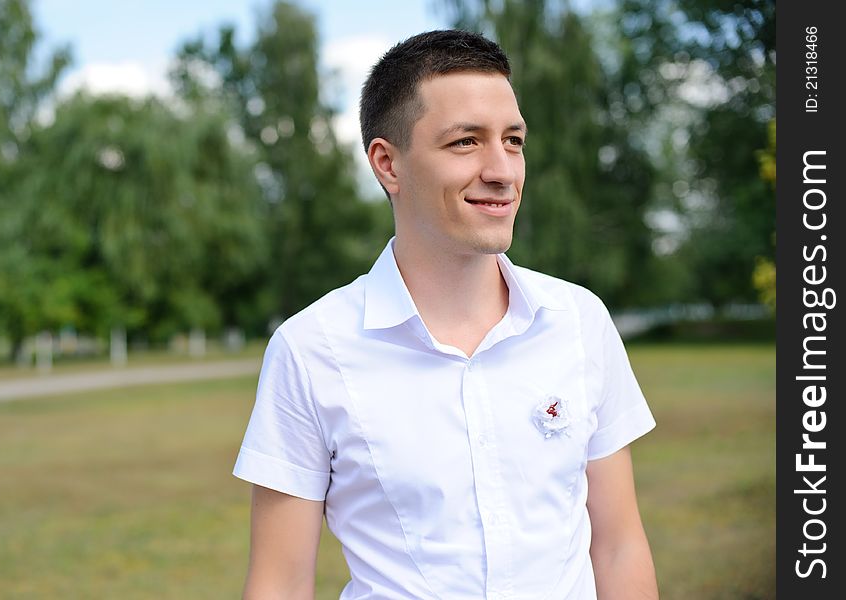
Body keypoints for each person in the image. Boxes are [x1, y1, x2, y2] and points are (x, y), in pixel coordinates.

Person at [233, 29, 658, 600]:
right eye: (466, 142)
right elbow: (280, 584)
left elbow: (618, 544)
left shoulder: (580, 322)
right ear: (388, 164)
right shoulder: (311, 349)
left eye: (513, 140)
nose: (502, 170)